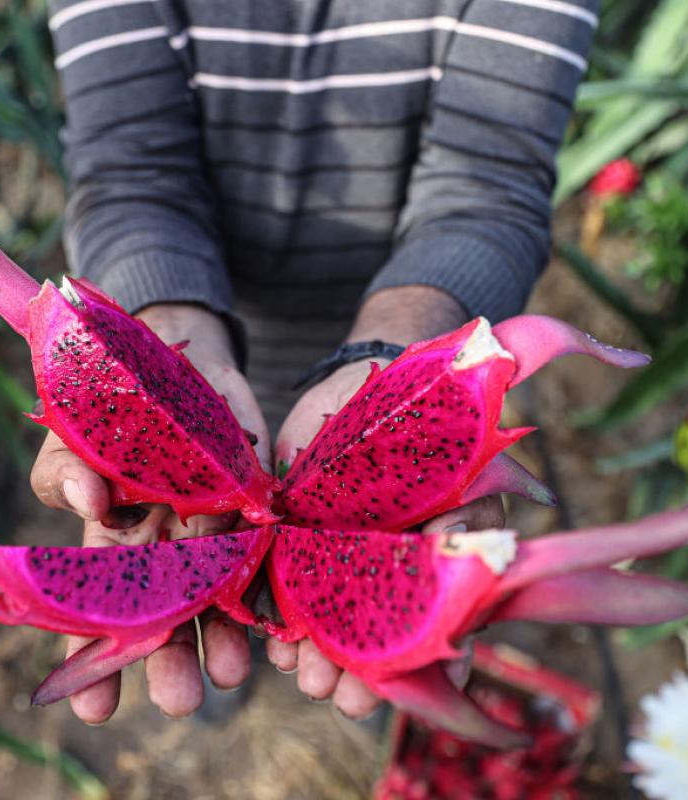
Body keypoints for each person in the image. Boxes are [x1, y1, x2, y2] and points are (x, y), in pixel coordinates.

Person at [31, 0, 598, 725]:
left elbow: (489, 184)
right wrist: (162, 340)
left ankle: (338, 643)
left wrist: (393, 355)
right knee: (206, 617)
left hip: (398, 361)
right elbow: (130, 170)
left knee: (366, 627)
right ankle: (228, 649)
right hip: (212, 353)